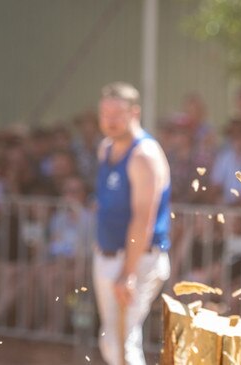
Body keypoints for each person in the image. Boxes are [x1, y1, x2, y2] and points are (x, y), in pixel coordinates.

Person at [94, 82, 171, 365]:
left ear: (134, 112)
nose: (110, 120)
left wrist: (128, 272)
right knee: (112, 339)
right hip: (108, 256)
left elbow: (143, 218)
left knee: (122, 343)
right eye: (105, 113)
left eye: (118, 113)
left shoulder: (144, 156)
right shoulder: (106, 149)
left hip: (137, 259)